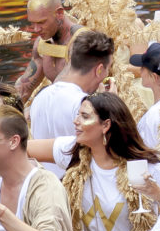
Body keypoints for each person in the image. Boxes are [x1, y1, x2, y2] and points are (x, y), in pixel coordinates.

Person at [26, 92, 160, 231]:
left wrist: (157, 193)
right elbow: (22, 149)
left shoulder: (142, 166)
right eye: (77, 115)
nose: (76, 121)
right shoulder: (74, 153)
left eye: (85, 116)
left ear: (106, 125)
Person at [29, 30, 114, 178]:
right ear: (99, 69)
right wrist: (112, 106)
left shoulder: (40, 95)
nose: (107, 74)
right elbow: (105, 150)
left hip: (42, 181)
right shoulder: (84, 104)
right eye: (108, 68)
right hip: (74, 185)